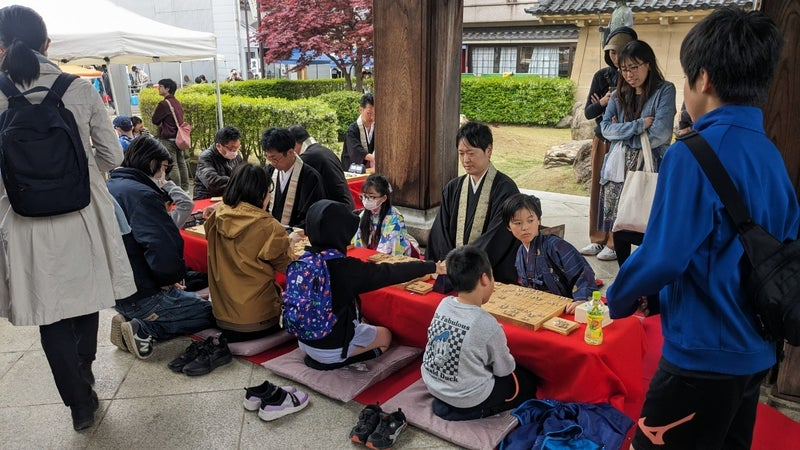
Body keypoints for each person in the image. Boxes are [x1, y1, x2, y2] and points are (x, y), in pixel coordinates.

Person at [607, 8, 799, 450]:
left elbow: (664, 257)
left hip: (702, 355)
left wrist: (618, 296)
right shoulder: (770, 155)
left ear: (704, 79)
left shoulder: (692, 153)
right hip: (756, 349)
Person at [0, 5, 135, 431]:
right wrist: (81, 171)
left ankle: (79, 404)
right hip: (82, 213)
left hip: (23, 219)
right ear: (47, 44)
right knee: (84, 297)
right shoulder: (78, 89)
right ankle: (84, 371)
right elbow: (112, 155)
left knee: (49, 312)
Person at [299, 200, 445, 370]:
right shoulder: (346, 269)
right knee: (385, 336)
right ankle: (338, 360)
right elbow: (390, 272)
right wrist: (431, 266)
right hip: (330, 349)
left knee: (358, 320)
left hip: (303, 339)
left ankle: (331, 353)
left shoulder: (304, 260)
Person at [107, 136, 215, 361]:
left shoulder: (111, 187)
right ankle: (145, 328)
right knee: (214, 313)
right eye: (164, 168)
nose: (164, 175)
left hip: (120, 290)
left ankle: (129, 321)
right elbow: (160, 245)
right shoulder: (143, 195)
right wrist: (168, 279)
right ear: (151, 163)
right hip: (144, 294)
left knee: (189, 296)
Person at [421, 245, 537, 421]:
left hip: (433, 385)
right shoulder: (486, 323)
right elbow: (504, 370)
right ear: (484, 278)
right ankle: (475, 411)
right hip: (467, 397)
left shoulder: (443, 304)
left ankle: (452, 404)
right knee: (526, 382)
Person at [596, 40, 676, 262]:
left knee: (648, 221)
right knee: (620, 224)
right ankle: (624, 272)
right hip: (617, 168)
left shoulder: (664, 90)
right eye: (624, 69)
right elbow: (605, 129)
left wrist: (622, 133)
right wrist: (639, 125)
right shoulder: (617, 95)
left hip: (650, 166)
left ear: (648, 64)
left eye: (634, 67)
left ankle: (648, 271)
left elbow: (661, 133)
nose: (629, 74)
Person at [204, 164, 293, 342]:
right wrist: (289, 240)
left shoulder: (217, 216)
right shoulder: (269, 227)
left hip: (221, 316)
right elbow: (289, 267)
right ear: (262, 193)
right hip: (259, 320)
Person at [426, 121, 520, 284]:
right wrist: (449, 264)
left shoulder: (506, 189)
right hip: (450, 272)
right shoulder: (453, 187)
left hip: (486, 276)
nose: (465, 160)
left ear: (488, 150)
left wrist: (462, 264)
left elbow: (497, 237)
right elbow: (440, 232)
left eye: (471, 153)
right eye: (461, 153)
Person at [579, 26, 637, 259]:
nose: (615, 57)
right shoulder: (601, 76)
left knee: (618, 191)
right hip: (602, 139)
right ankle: (597, 238)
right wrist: (603, 102)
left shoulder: (634, 76)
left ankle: (614, 243)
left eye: (620, 52)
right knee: (597, 188)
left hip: (623, 142)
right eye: (611, 52)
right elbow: (589, 112)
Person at [502, 194, 598, 314]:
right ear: (508, 226)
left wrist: (580, 299)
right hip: (540, 308)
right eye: (518, 223)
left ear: (538, 220)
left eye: (530, 221)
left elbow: (583, 273)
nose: (525, 227)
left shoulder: (555, 245)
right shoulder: (520, 252)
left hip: (566, 308)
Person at [262, 127, 324, 229]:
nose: (272, 163)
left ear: (290, 152)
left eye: (274, 158)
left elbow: (312, 215)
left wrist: (291, 231)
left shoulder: (310, 177)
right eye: (268, 157)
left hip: (296, 234)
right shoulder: (267, 172)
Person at [288, 124, 354, 210]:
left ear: (294, 143)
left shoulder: (308, 157)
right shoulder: (324, 151)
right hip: (345, 205)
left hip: (336, 210)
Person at [351, 174, 417, 257]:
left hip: (386, 258)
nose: (367, 200)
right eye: (364, 196)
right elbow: (357, 243)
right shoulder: (364, 214)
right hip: (370, 255)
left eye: (372, 197)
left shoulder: (395, 218)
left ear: (384, 198)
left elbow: (389, 251)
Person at [151, 78, 190, 191]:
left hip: (168, 138)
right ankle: (185, 189)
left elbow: (155, 120)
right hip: (179, 138)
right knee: (181, 163)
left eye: (160, 86)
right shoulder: (176, 102)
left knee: (172, 165)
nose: (158, 89)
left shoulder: (164, 104)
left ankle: (176, 190)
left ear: (167, 88)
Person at [193, 126, 244, 200]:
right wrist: (240, 183)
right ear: (219, 146)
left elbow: (243, 175)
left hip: (227, 197)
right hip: (206, 198)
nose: (234, 151)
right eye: (231, 149)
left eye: (237, 148)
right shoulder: (206, 157)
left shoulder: (237, 157)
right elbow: (212, 182)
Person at [340, 93, 375, 171]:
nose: (372, 117)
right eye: (369, 113)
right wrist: (374, 158)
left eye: (374, 113)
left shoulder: (377, 128)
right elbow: (355, 150)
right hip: (352, 170)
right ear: (361, 110)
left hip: (371, 170)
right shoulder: (352, 130)